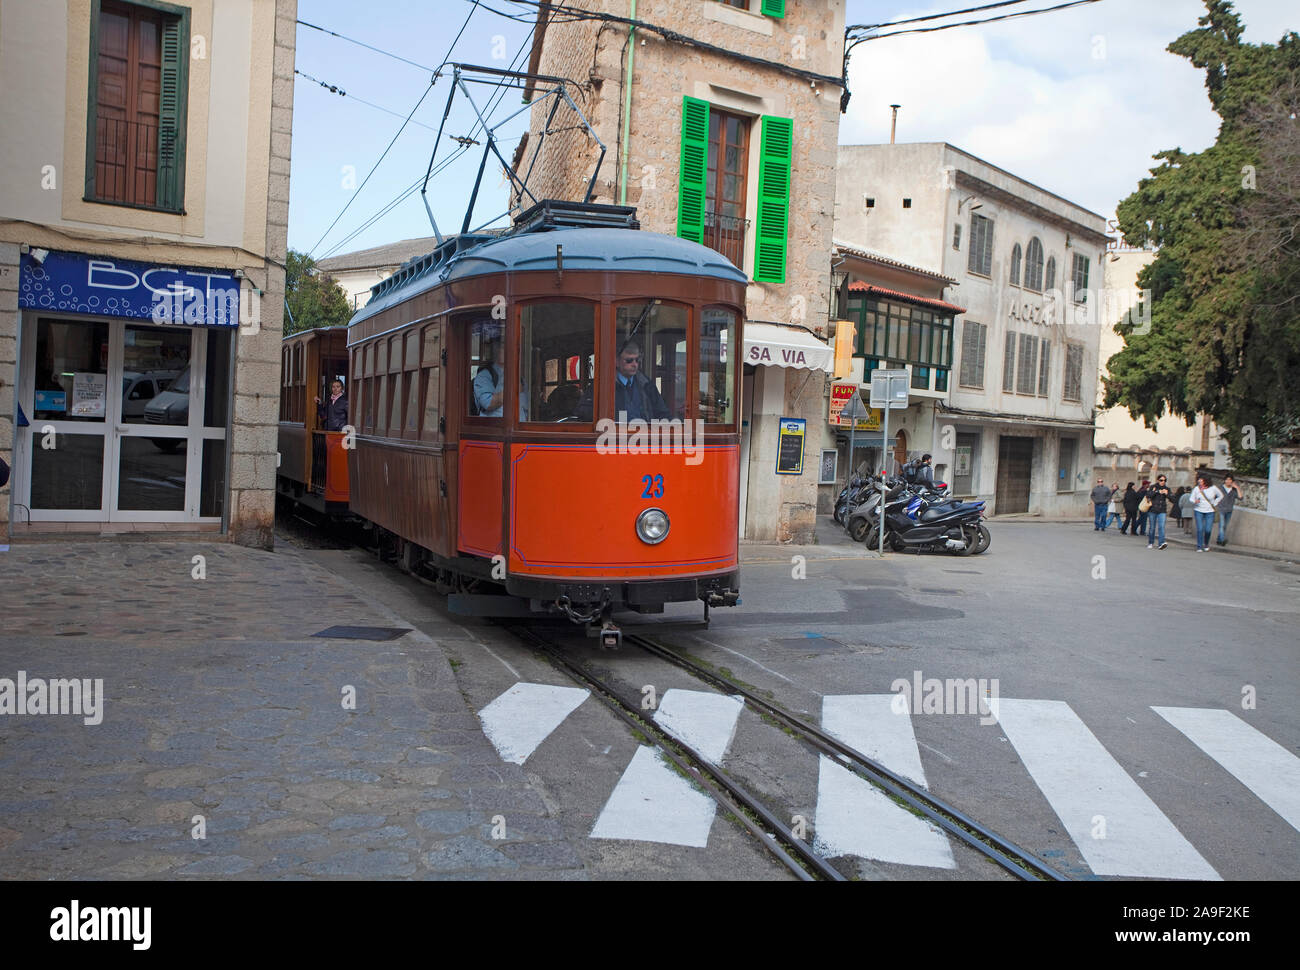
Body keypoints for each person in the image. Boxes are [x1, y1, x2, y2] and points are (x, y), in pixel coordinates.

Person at [579, 340, 670, 422]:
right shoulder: (602, 385)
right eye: (629, 360)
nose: (635, 364)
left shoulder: (647, 385)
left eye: (637, 360)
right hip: (614, 437)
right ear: (617, 361)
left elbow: (663, 414)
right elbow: (582, 410)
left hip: (643, 437)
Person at [1190, 473, 1224, 552]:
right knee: (1200, 529)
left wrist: (1215, 502)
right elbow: (1191, 498)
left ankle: (1206, 544)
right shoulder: (1196, 489)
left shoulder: (1213, 488)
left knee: (1208, 530)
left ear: (1206, 481)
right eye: (1199, 480)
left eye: (1201, 480)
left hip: (1210, 511)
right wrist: (1195, 501)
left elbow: (1221, 495)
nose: (1199, 482)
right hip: (1198, 510)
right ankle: (1199, 546)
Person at [472, 340, 505, 417]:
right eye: (503, 347)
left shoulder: (520, 377)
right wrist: (514, 390)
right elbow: (488, 403)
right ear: (496, 352)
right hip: (495, 427)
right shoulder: (484, 376)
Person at [1145, 474, 1172, 550]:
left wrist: (1167, 494)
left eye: (1164, 480)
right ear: (1158, 480)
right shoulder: (1153, 487)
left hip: (1162, 510)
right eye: (1161, 480)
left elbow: (1173, 499)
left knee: (1161, 527)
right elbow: (1148, 495)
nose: (1163, 482)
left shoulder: (1167, 488)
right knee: (1152, 527)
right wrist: (1157, 491)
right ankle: (1150, 542)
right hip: (1152, 510)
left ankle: (1161, 543)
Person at [1217, 474, 1243, 546]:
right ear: (1224, 480)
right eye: (1227, 479)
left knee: (1225, 526)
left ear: (1232, 481)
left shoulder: (1234, 490)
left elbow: (1240, 497)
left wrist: (1237, 487)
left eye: (1230, 480)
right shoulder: (1220, 488)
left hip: (1229, 510)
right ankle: (1222, 540)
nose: (1228, 481)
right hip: (1221, 509)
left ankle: (1219, 539)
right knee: (1221, 525)